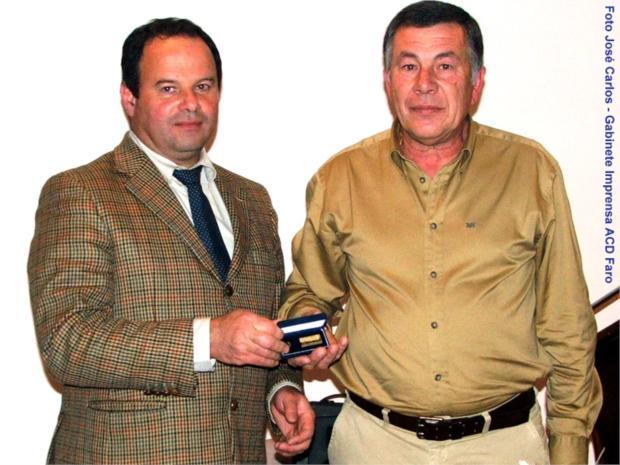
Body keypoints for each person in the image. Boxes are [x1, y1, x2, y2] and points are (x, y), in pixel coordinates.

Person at [279, 2, 602, 464]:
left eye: (445, 66)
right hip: (374, 443)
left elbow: (568, 328)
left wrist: (569, 450)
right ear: (388, 81)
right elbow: (306, 294)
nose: (425, 84)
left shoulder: (532, 172)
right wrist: (308, 343)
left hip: (503, 444)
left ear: (476, 82)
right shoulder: (341, 178)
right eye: (408, 66)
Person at [28, 17, 313, 464]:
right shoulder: (81, 191)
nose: (190, 104)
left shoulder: (253, 200)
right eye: (168, 88)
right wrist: (208, 339)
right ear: (130, 98)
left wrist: (281, 389)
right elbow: (67, 340)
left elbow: (265, 324)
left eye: (203, 86)